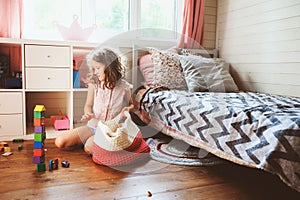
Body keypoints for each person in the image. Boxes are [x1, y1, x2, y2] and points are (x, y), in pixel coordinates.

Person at [55, 47, 134, 154]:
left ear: (109, 67)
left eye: (98, 68)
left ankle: (96, 142)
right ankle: (94, 140)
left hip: (111, 130)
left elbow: (132, 105)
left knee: (89, 148)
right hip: (93, 126)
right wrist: (88, 113)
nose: (95, 72)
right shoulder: (94, 85)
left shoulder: (124, 87)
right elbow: (88, 105)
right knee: (60, 142)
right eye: (94, 69)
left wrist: (127, 110)